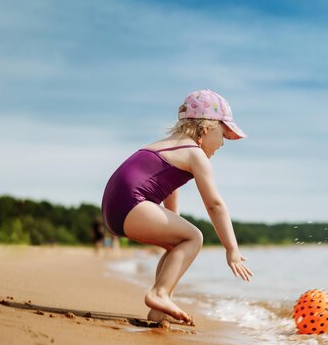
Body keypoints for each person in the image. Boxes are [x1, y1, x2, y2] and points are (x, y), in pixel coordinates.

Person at [101, 89, 253, 325]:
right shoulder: (195, 154)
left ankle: (159, 308)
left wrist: (174, 222)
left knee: (178, 242)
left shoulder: (169, 146)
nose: (223, 143)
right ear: (207, 128)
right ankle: (159, 293)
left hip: (115, 207)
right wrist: (231, 248)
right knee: (194, 237)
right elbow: (215, 205)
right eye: (223, 134)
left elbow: (168, 185)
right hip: (133, 203)